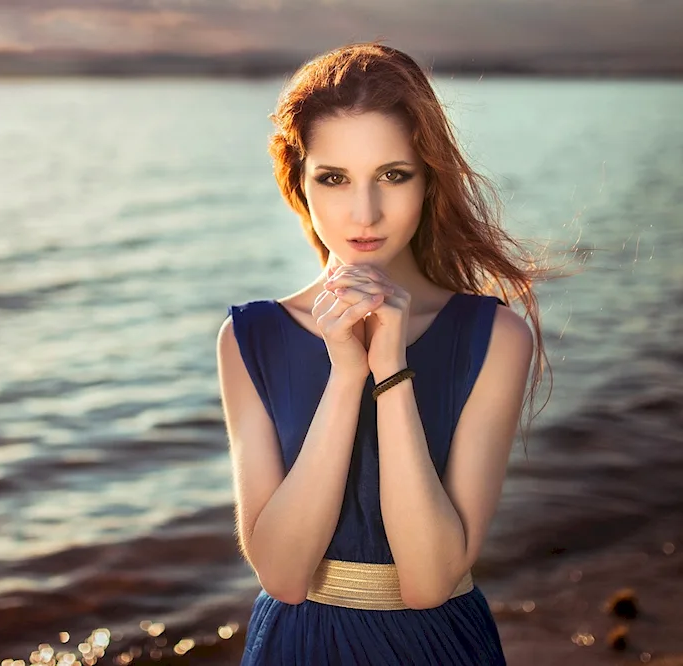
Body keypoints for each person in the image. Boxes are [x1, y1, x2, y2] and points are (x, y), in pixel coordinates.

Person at [216, 42, 552, 665]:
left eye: (393, 176)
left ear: (428, 181)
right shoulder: (250, 339)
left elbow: (429, 582)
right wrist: (346, 374)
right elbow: (285, 577)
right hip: (295, 648)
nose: (364, 212)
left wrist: (390, 366)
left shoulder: (496, 337)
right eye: (334, 178)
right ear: (298, 183)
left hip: (436, 648)